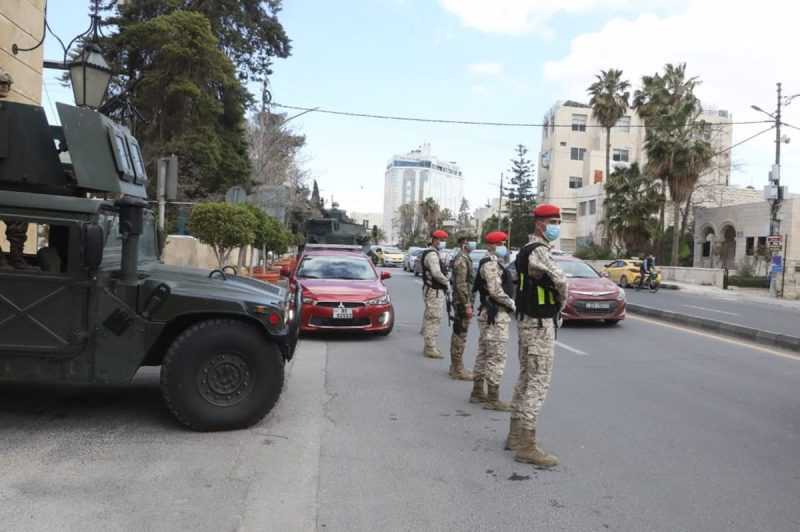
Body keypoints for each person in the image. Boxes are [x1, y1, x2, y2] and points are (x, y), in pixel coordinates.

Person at [506, 204, 568, 467]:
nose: (556, 226)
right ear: (540, 224)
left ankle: (515, 435)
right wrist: (561, 305)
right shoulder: (539, 251)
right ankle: (528, 445)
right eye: (553, 221)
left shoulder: (524, 250)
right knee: (538, 382)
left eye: (558, 221)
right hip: (540, 324)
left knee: (525, 377)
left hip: (526, 321)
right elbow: (562, 281)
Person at [470, 230, 516, 410]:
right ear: (492, 246)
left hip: (489, 314)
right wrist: (512, 303)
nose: (504, 247)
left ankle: (477, 391)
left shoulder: (494, 263)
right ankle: (492, 397)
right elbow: (496, 291)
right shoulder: (490, 265)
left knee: (484, 353)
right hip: (495, 315)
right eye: (502, 244)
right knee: (496, 356)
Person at [0, 68, 35, 271]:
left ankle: (15, 258)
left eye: (7, 84)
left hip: (11, 175)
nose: (4, 87)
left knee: (19, 220)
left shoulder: (11, 112)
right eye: (1, 83)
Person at [448, 233, 477, 380]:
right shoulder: (461, 260)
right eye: (472, 241)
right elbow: (460, 285)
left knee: (458, 333)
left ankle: (455, 366)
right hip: (461, 303)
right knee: (460, 335)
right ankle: (457, 369)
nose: (475, 244)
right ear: (464, 242)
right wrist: (467, 305)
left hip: (461, 302)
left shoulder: (464, 258)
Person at [420, 229, 450, 358]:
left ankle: (429, 345)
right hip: (434, 291)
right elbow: (436, 273)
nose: (443, 243)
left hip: (431, 289)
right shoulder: (432, 255)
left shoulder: (432, 253)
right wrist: (446, 282)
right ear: (435, 240)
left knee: (430, 317)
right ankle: (430, 347)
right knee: (434, 318)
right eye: (441, 241)